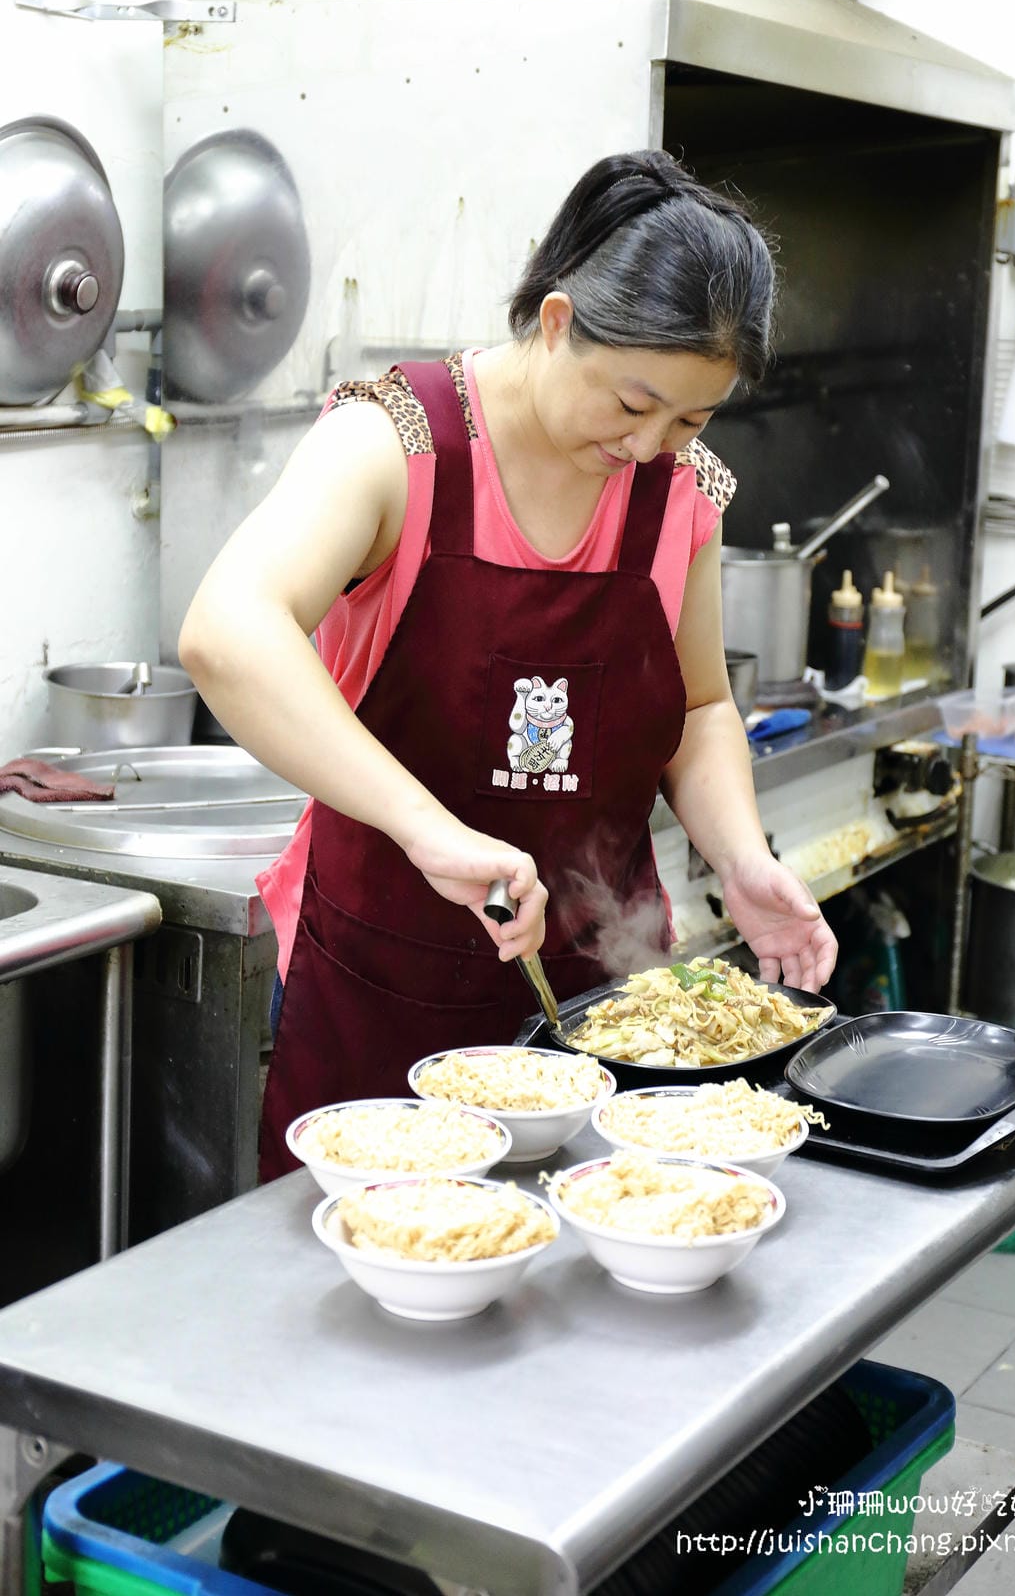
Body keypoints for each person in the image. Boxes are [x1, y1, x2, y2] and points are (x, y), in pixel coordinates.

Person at [179, 149, 838, 1180]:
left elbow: (702, 707)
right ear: (562, 321)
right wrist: (431, 833)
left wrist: (743, 859)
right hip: (385, 984)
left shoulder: (681, 495)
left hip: (604, 1002)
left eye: (692, 420)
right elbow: (228, 632)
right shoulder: (397, 440)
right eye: (632, 404)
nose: (653, 447)